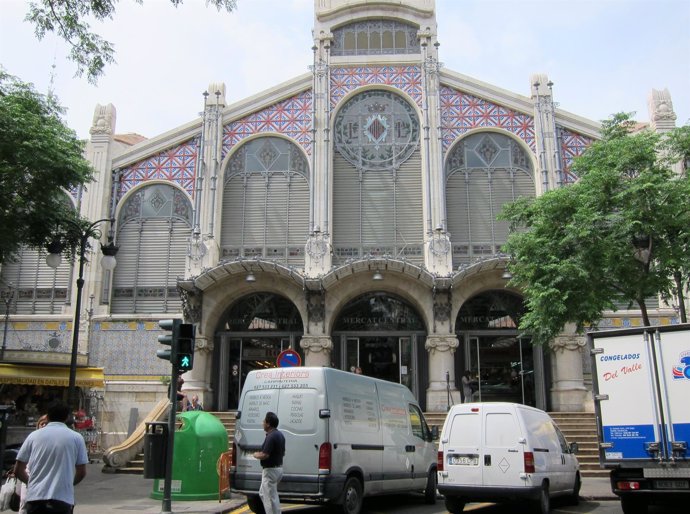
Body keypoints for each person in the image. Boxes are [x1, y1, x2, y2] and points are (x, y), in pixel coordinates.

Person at [14, 402, 88, 514]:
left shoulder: (33, 436)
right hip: (62, 498)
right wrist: (68, 484)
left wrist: (31, 483)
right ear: (67, 417)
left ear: (47, 416)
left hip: (35, 498)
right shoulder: (76, 438)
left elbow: (18, 470)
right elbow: (81, 472)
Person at [253, 412, 285, 514]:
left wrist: (255, 455)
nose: (262, 423)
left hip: (270, 471)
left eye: (264, 421)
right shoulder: (280, 435)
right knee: (264, 493)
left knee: (269, 499)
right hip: (278, 469)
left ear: (268, 424)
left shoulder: (271, 437)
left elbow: (265, 455)